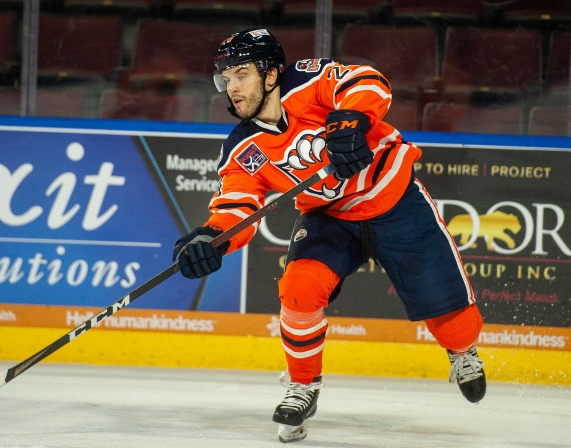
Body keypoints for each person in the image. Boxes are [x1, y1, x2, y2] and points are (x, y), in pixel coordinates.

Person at [172, 28, 486, 443]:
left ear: (271, 75)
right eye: (225, 78)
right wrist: (211, 239)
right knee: (299, 289)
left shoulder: (305, 81)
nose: (232, 87)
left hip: (393, 200)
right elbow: (236, 206)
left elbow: (368, 81)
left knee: (455, 322)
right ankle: (303, 386)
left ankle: (462, 352)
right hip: (329, 217)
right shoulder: (241, 148)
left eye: (241, 74)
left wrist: (353, 117)